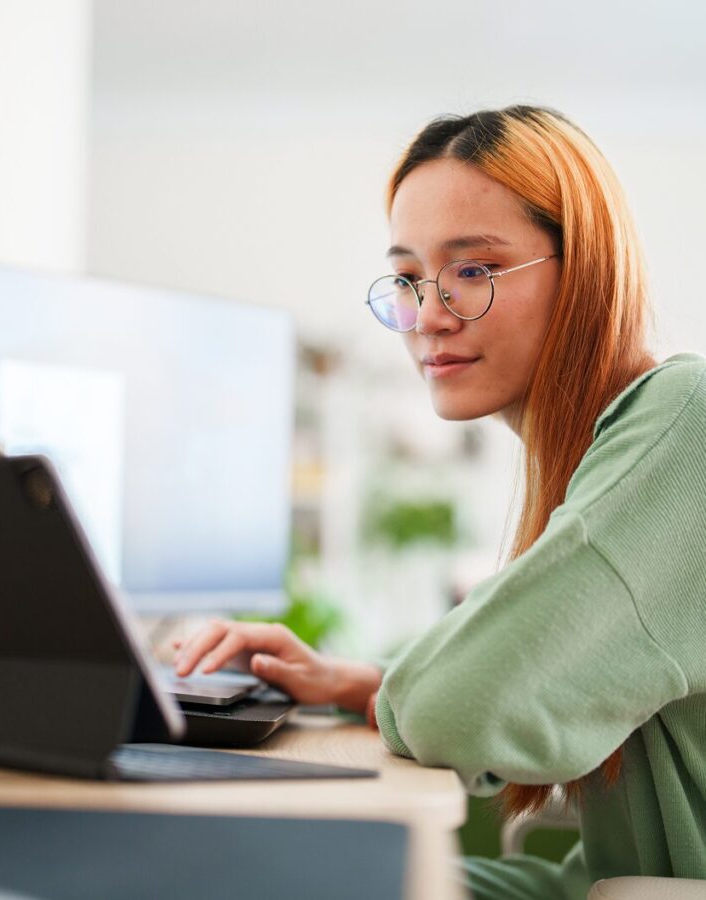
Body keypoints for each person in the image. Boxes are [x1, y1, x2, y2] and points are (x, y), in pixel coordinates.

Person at [173, 105, 706, 899]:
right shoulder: (607, 449)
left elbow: (458, 709)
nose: (427, 317)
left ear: (587, 266)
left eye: (473, 271)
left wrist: (396, 696)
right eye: (411, 278)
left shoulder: (685, 421)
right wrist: (362, 684)